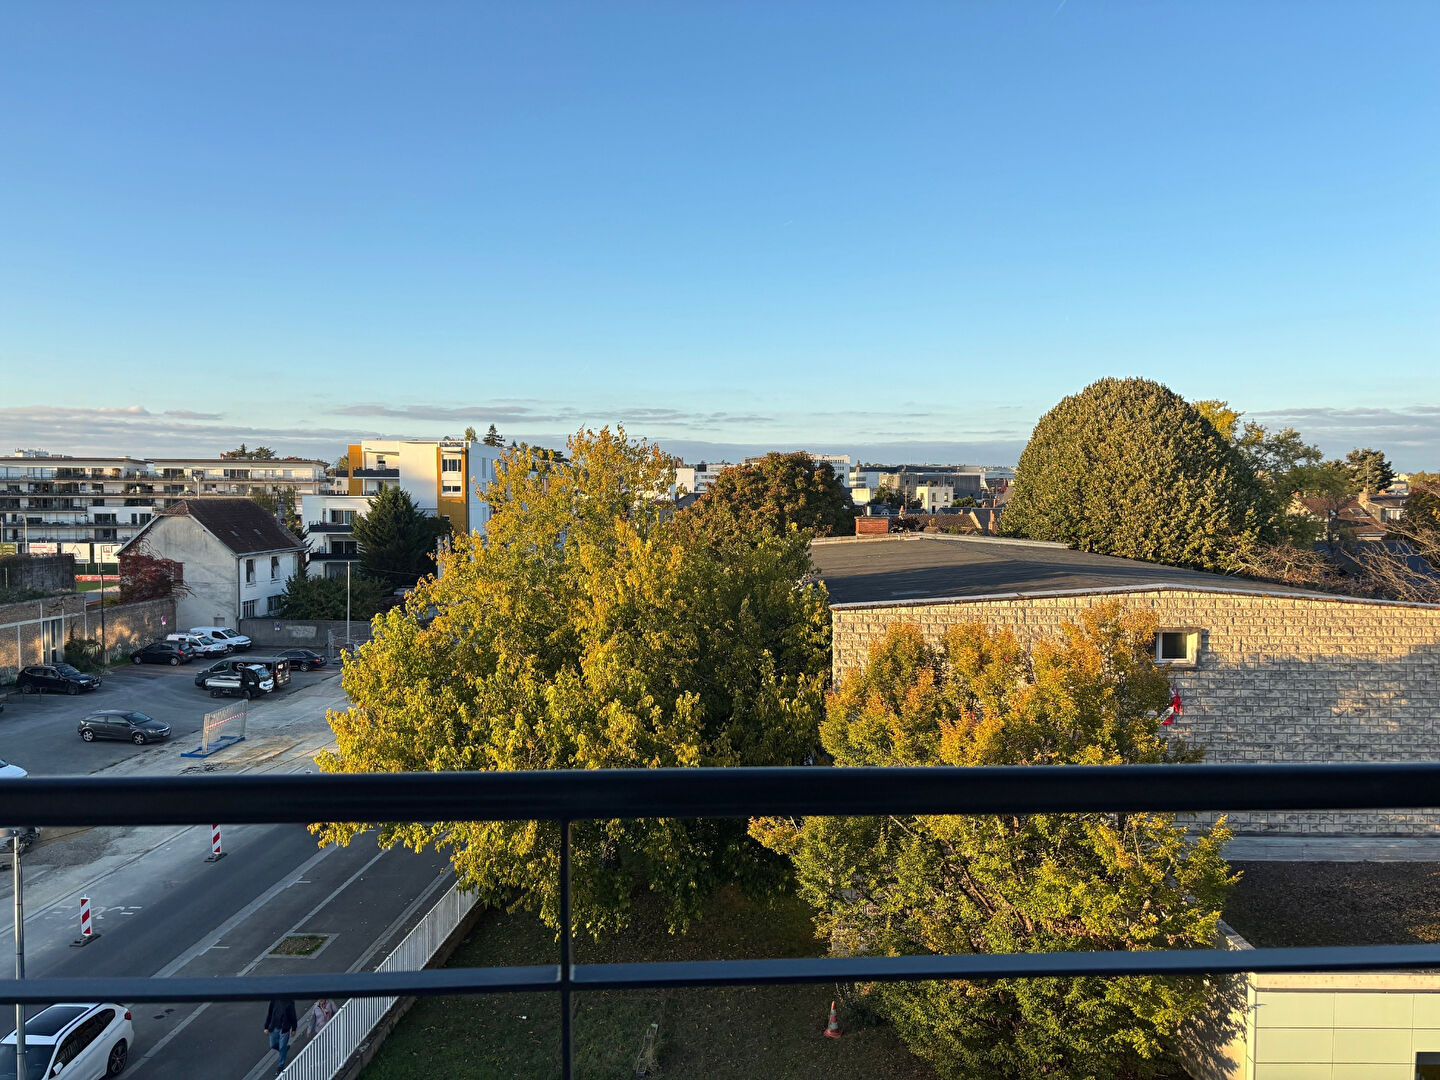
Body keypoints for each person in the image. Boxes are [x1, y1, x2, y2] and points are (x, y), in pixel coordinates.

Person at [264, 997, 298, 1075]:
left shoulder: (289, 1002)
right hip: (274, 1026)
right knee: (273, 1045)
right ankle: (284, 1049)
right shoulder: (274, 1000)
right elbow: (270, 1014)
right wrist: (266, 1026)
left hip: (284, 1028)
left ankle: (280, 1066)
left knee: (282, 1047)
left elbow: (293, 1015)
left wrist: (294, 1028)